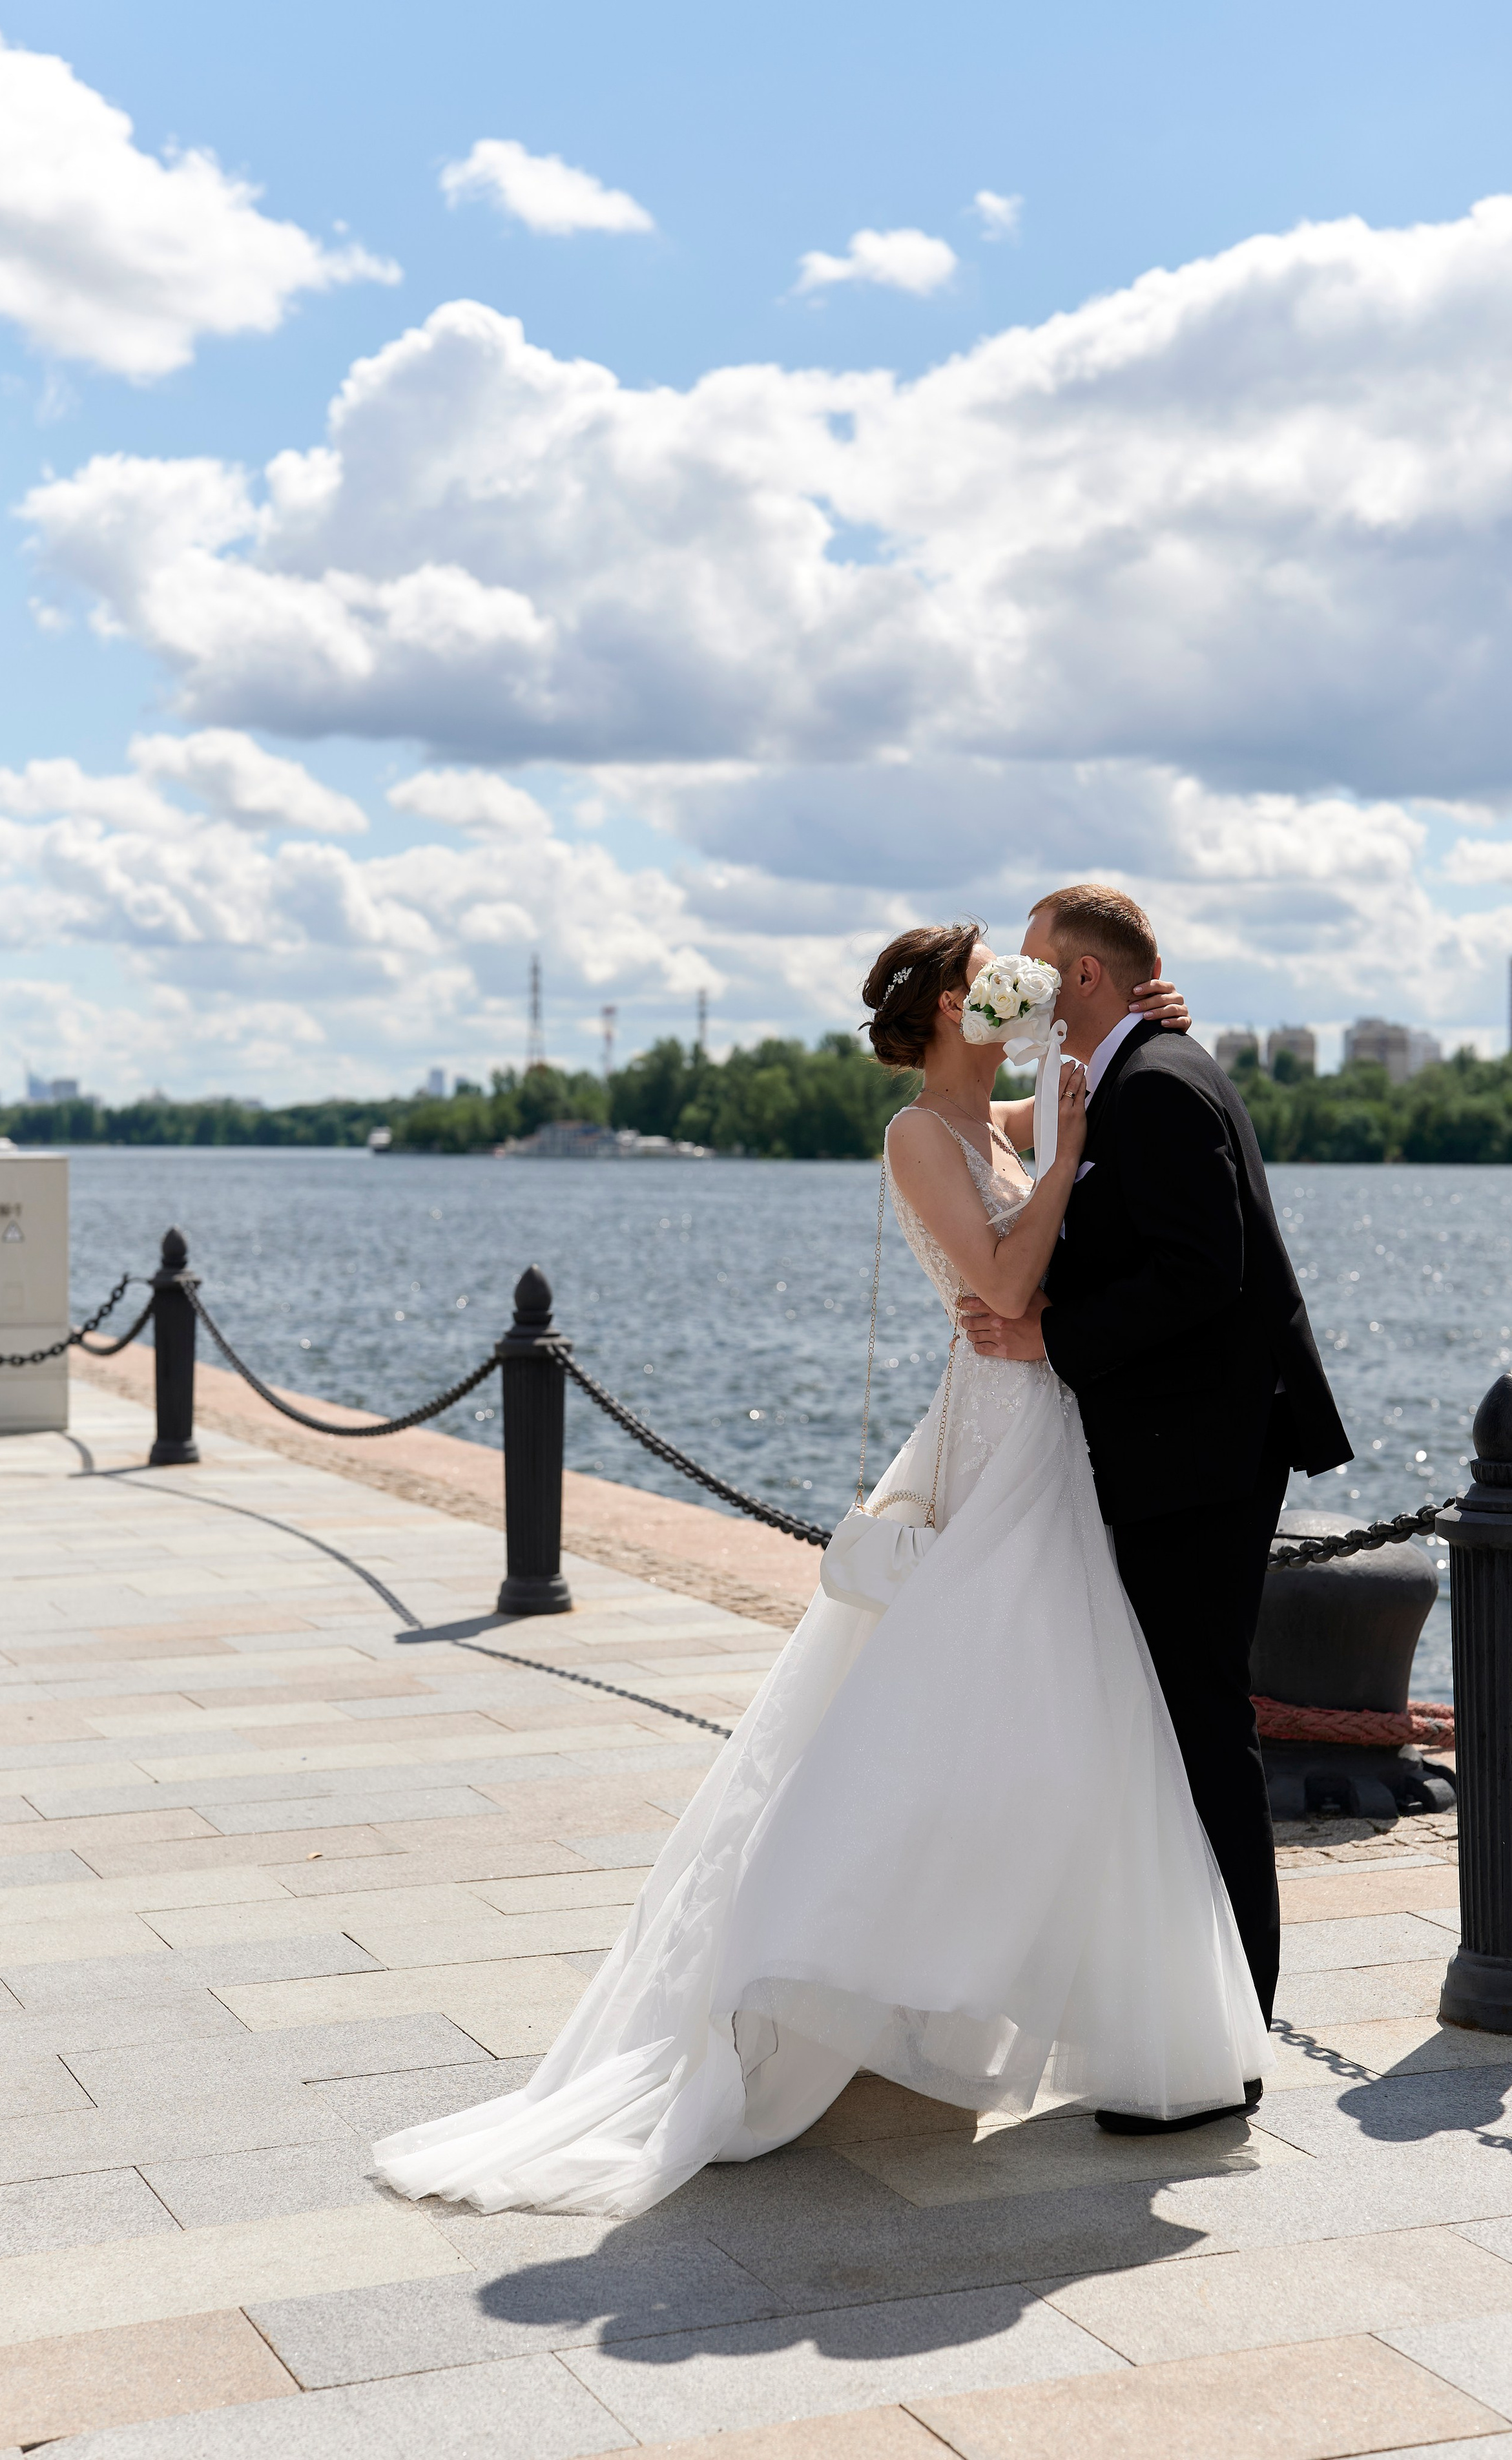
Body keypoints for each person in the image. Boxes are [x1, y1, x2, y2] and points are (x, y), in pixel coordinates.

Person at [373, 923, 1273, 2222]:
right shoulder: (919, 1137)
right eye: (988, 980)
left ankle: (1027, 1986)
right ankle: (842, 1959)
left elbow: (1093, 1081)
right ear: (944, 1011)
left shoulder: (998, 1118)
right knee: (963, 1706)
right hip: (1001, 1424)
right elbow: (1006, 1278)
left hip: (1044, 1426)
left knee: (1058, 1713)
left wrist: (1147, 1017)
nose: (1009, 993)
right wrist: (1065, 1162)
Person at [960, 886, 1352, 2087]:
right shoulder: (1124, 1072)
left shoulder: (1161, 1083)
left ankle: (1233, 2037)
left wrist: (1052, 1336)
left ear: (1085, 977)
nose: (1022, 985)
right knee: (1179, 1727)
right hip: (1181, 1448)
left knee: (1202, 1729)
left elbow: (1204, 1271)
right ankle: (1199, 2018)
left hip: (1199, 1457)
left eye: (1036, 965)